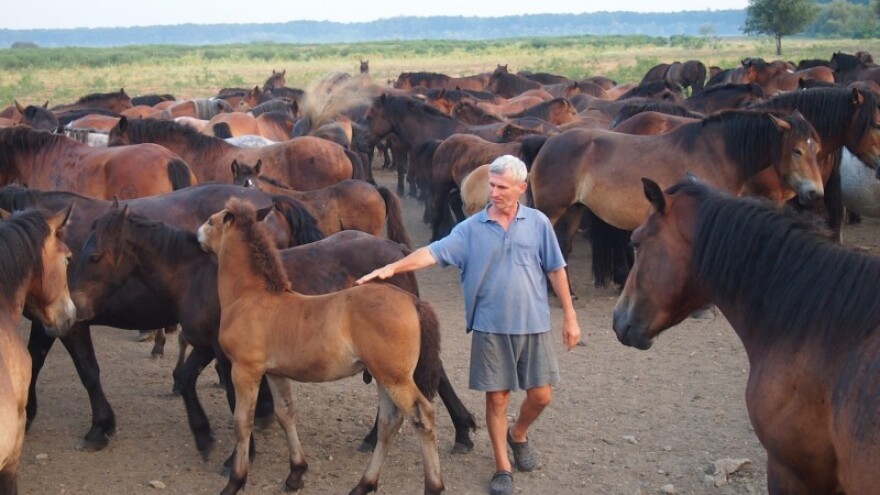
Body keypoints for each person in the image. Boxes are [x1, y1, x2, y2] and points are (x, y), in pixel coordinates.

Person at [357, 154, 581, 495]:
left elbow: (555, 269)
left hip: (534, 324)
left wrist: (570, 315)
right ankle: (502, 467)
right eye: (492, 185)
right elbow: (433, 252)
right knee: (497, 400)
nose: (494, 192)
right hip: (490, 327)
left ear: (521, 188)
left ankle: (518, 434)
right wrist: (393, 268)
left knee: (541, 396)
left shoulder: (538, 224)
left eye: (502, 186)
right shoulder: (472, 229)